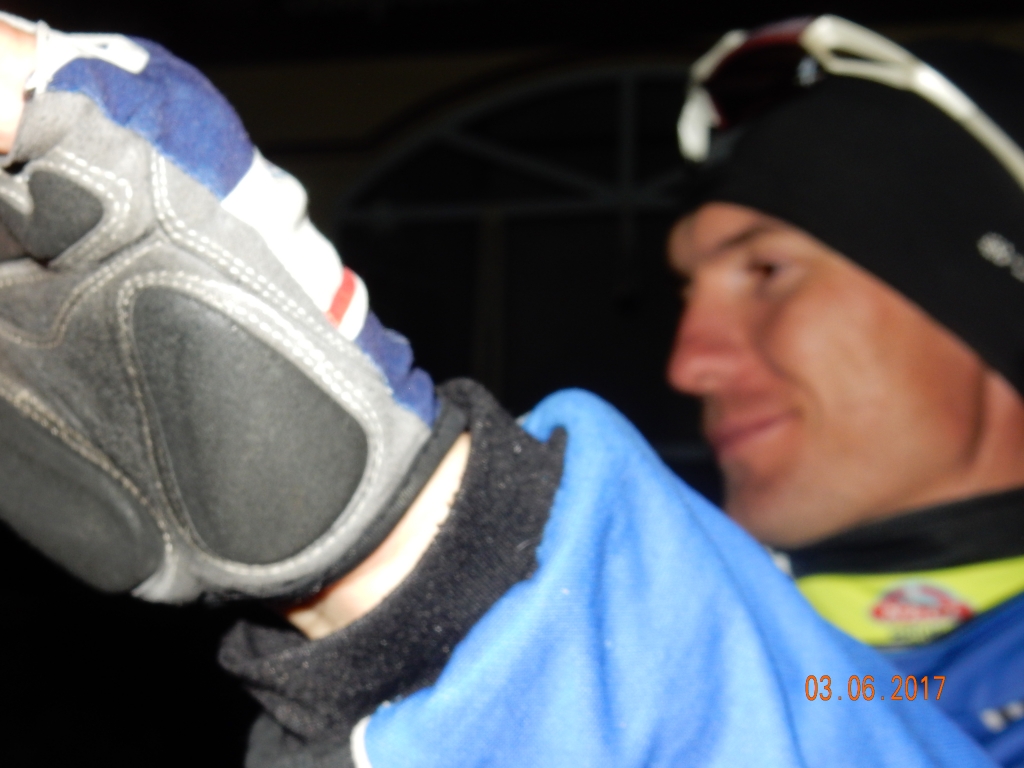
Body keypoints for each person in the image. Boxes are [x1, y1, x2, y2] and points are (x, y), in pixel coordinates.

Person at [0, 10, 1014, 768]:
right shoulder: (801, 641)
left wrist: (431, 570)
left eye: (768, 272)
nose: (688, 363)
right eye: (687, 294)